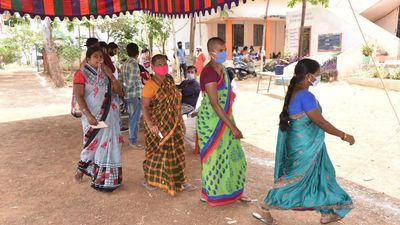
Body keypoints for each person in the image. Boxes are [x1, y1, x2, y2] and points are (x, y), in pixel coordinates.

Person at [254, 58, 355, 225]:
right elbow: (320, 122)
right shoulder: (305, 96)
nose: (318, 78)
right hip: (304, 146)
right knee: (294, 180)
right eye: (317, 75)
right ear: (308, 76)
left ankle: (327, 213)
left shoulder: (296, 90)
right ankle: (264, 207)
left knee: (318, 177)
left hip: (301, 142)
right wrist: (343, 135)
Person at [196, 37, 249, 206]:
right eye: (220, 50)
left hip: (225, 117)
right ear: (211, 53)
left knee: (234, 156)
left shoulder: (224, 70)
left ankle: (234, 191)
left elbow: (225, 92)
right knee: (214, 158)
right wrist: (233, 127)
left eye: (224, 49)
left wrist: (231, 96)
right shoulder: (208, 72)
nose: (224, 53)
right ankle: (211, 193)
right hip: (211, 122)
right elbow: (214, 103)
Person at [141, 54, 196, 196]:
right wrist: (150, 124)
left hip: (174, 124)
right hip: (157, 125)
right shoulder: (150, 85)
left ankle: (180, 180)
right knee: (159, 152)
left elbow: (175, 103)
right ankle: (150, 180)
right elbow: (145, 107)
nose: (162, 66)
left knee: (177, 152)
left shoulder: (170, 80)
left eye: (164, 63)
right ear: (152, 67)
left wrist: (181, 121)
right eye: (159, 64)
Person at [73, 47, 123, 192]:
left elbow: (119, 91)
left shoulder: (106, 74)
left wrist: (112, 76)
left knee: (109, 144)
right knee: (92, 143)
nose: (99, 59)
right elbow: (78, 95)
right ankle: (81, 169)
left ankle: (106, 179)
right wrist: (88, 115)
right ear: (88, 59)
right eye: (95, 57)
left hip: (110, 116)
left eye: (101, 57)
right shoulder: (81, 74)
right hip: (92, 116)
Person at [119, 43, 143, 149]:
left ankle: (132, 139)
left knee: (131, 117)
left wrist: (122, 92)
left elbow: (121, 79)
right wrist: (125, 91)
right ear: (137, 52)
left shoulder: (124, 64)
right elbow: (131, 82)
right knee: (134, 118)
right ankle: (133, 141)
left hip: (128, 95)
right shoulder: (134, 63)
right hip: (134, 95)